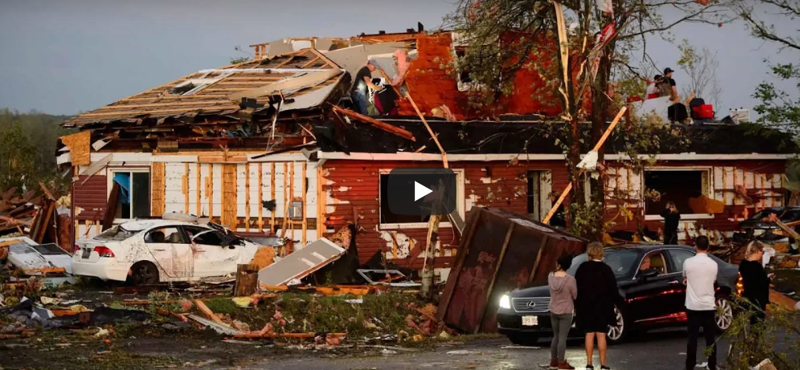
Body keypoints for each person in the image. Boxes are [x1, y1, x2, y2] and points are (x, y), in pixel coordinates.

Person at [575, 242, 622, 370]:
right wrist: (618, 302)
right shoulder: (606, 269)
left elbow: (577, 288)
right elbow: (613, 290)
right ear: (601, 253)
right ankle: (603, 364)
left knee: (589, 334)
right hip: (603, 306)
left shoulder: (582, 268)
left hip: (586, 306)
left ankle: (589, 363)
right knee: (601, 334)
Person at [683, 236, 718, 370]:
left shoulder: (688, 262)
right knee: (710, 338)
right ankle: (712, 364)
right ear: (708, 247)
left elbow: (685, 277)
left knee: (692, 338)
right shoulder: (713, 264)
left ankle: (689, 365)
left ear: (695, 246)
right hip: (708, 304)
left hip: (693, 305)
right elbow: (713, 281)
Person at [549, 255, 578, 370]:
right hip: (566, 311)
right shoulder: (571, 280)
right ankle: (562, 363)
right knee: (562, 337)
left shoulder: (550, 277)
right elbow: (575, 295)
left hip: (553, 309)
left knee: (555, 336)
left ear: (559, 265)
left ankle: (553, 362)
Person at [739, 241, 771, 323]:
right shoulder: (756, 266)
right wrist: (768, 279)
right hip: (758, 299)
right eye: (762, 251)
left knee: (753, 322)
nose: (762, 254)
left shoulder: (744, 264)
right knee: (758, 323)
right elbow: (760, 283)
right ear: (757, 251)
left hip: (748, 297)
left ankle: (752, 336)